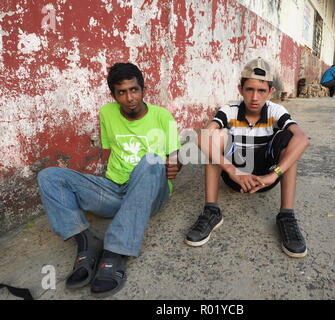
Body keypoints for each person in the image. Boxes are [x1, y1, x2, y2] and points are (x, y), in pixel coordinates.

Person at [37, 62, 182, 297]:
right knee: (49, 176)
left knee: (152, 159)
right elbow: (109, 152)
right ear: (114, 95)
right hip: (115, 190)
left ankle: (115, 251)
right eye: (121, 92)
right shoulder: (106, 112)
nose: (129, 98)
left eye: (134, 90)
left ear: (143, 89)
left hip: (151, 192)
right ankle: (86, 242)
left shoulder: (162, 116)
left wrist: (175, 165)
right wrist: (99, 188)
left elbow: (175, 157)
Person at [185, 57, 310, 258]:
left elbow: (303, 139)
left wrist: (273, 175)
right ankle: (211, 211)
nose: (254, 97)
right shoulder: (230, 110)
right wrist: (233, 172)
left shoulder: (276, 110)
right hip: (234, 176)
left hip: (266, 177)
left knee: (291, 139)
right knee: (214, 137)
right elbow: (202, 139)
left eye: (261, 91)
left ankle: (286, 215)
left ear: (270, 92)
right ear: (240, 89)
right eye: (249, 89)